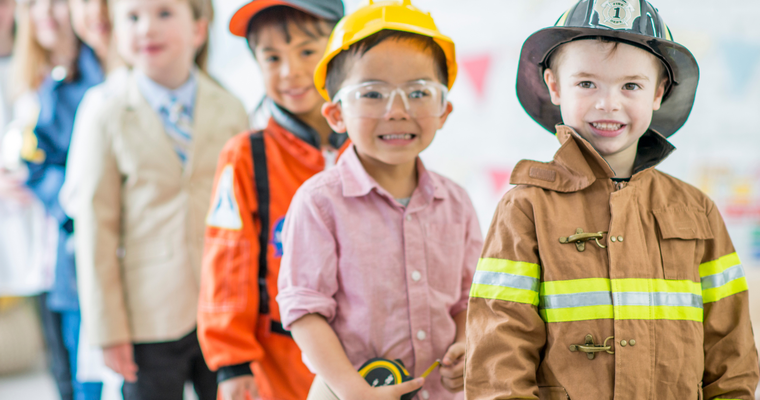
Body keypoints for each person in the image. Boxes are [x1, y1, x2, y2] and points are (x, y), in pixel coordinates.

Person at [464, 1, 760, 399]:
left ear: (658, 93)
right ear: (554, 86)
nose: (609, 103)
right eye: (587, 83)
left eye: (631, 86)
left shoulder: (697, 210)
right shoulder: (525, 208)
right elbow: (498, 354)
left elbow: (732, 355)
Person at [276, 1, 482, 399]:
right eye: (373, 94)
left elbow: (467, 300)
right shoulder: (319, 203)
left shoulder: (456, 203)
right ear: (336, 115)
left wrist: (464, 345)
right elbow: (305, 311)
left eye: (419, 92)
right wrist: (354, 390)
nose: (397, 111)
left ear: (444, 110)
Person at [69, 0, 248, 398]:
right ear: (116, 32)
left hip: (222, 310)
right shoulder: (105, 112)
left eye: (164, 13)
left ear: (198, 30)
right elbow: (95, 229)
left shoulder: (230, 107)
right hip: (146, 317)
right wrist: (107, 329)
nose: (146, 28)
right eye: (132, 18)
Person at [196, 1, 346, 399]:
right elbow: (227, 264)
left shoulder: (377, 145)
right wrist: (232, 363)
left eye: (307, 52)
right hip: (280, 367)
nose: (289, 71)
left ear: (340, 51)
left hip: (368, 360)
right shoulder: (246, 155)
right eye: (272, 57)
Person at [10, 0, 107, 398]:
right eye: (33, 3)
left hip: (94, 244)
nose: (47, 11)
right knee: (73, 371)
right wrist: (72, 198)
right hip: (59, 246)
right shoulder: (46, 87)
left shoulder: (100, 73)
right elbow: (36, 164)